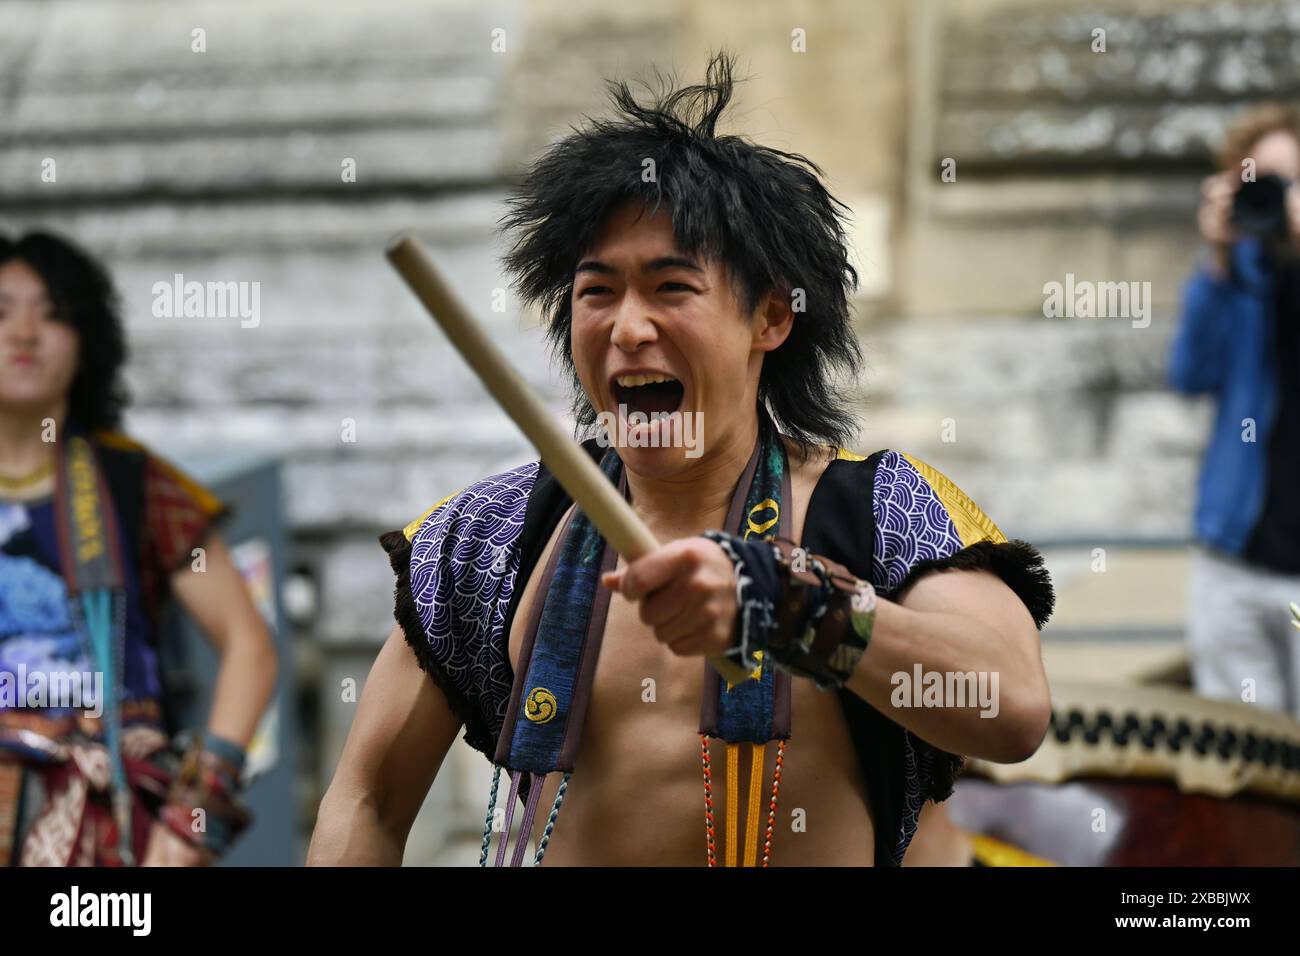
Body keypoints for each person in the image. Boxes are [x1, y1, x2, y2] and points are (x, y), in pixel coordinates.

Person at [310, 51, 1055, 867]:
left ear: (771, 317)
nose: (627, 327)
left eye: (671, 288)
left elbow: (1011, 707)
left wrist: (787, 601)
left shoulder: (880, 511)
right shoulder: (494, 536)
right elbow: (370, 797)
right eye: (597, 291)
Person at [0, 230, 278, 865]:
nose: (23, 333)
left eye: (53, 314)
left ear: (86, 342)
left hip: (108, 830)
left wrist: (192, 822)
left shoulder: (134, 484)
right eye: (1, 311)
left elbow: (249, 646)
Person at [1170, 103, 1300, 718]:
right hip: (1236, 562)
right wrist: (1217, 260)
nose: (1277, 200)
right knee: (1246, 762)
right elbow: (1190, 374)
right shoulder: (1239, 274)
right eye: (1261, 183)